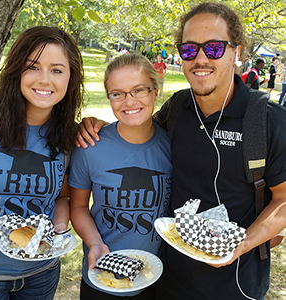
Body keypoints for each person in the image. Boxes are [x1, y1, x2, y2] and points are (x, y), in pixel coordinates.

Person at [77, 3, 286, 300]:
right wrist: (96, 127)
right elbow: (138, 134)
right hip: (165, 278)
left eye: (213, 48)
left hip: (234, 283)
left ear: (236, 52)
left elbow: (283, 199)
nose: (200, 58)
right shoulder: (177, 109)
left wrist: (244, 244)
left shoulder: (267, 120)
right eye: (189, 50)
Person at [0, 26, 84, 300]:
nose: (45, 80)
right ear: (16, 69)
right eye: (33, 66)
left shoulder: (69, 136)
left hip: (40, 274)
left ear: (70, 78)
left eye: (57, 70)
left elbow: (64, 196)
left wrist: (59, 227)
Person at [68, 53, 172, 299]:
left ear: (155, 92)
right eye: (117, 93)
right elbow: (79, 207)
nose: (129, 101)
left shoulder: (172, 146)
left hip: (154, 277)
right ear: (110, 98)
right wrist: (95, 243)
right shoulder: (90, 146)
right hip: (101, 275)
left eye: (139, 90)